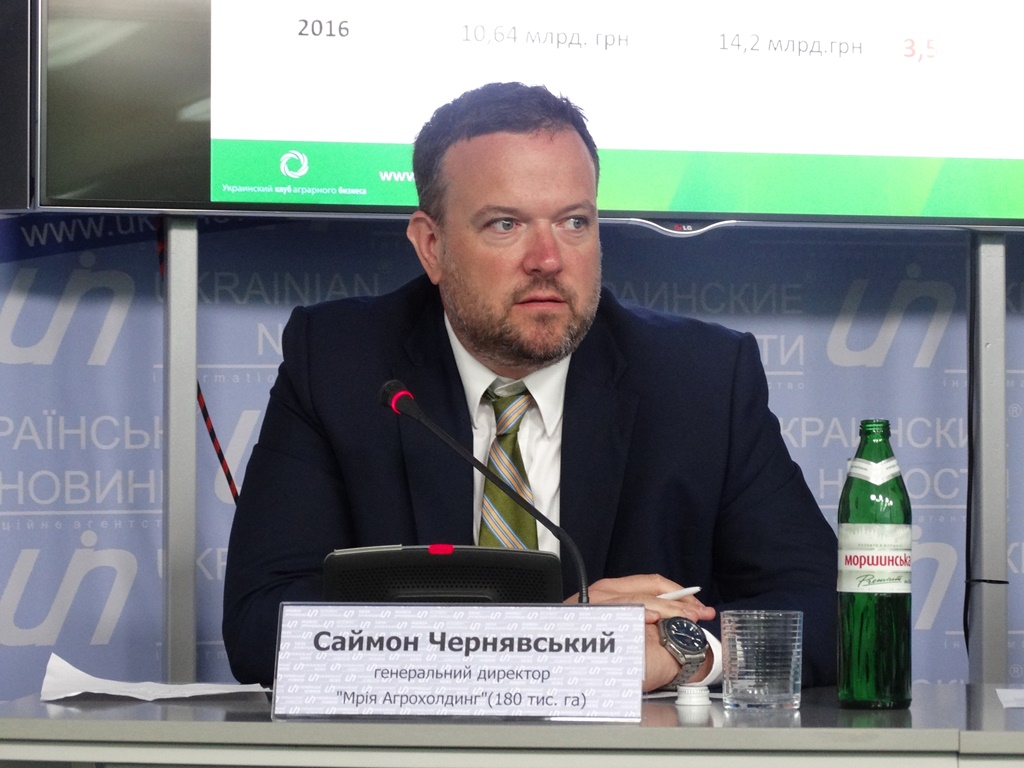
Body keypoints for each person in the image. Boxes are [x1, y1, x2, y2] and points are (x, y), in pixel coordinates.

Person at [222, 82, 838, 691]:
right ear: (431, 246)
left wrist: (685, 652)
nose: (548, 258)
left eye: (574, 222)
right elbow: (261, 625)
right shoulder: (341, 364)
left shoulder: (700, 379)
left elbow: (828, 609)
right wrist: (551, 638)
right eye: (505, 224)